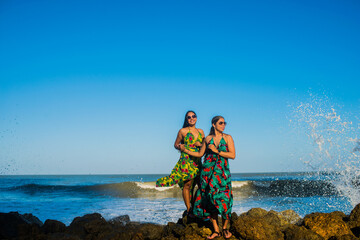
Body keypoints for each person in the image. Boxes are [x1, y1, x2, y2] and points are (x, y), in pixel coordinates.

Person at [181, 116, 235, 239]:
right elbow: (200, 154)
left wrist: (217, 151)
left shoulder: (227, 138)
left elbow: (232, 155)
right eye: (221, 123)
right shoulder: (207, 139)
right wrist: (186, 150)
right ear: (213, 124)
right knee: (210, 200)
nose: (223, 125)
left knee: (226, 200)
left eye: (224, 123)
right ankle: (216, 230)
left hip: (222, 173)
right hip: (207, 173)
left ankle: (225, 228)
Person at [156, 110, 205, 217]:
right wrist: (181, 147)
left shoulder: (201, 131)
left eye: (193, 116)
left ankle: (197, 205)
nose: (192, 118)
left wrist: (199, 144)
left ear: (196, 118)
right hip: (186, 160)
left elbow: (203, 146)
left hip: (197, 161)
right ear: (186, 120)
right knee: (187, 185)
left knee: (201, 184)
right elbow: (175, 144)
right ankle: (189, 209)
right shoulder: (182, 131)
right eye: (189, 117)